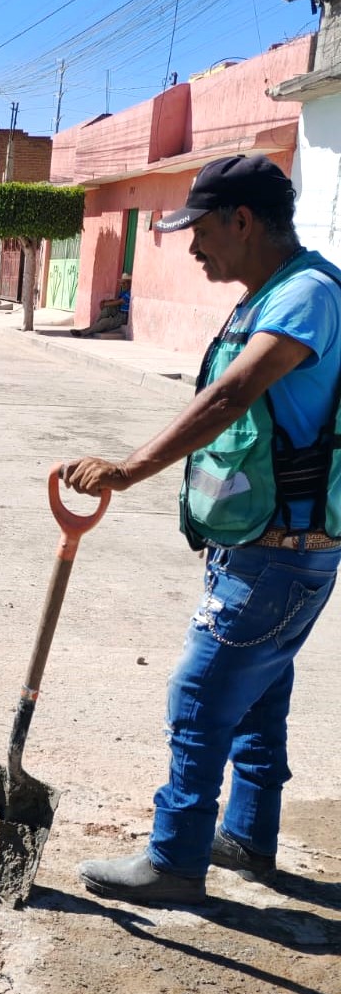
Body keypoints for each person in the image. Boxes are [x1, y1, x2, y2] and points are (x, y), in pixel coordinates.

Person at [62, 155, 341, 906]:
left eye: (203, 230)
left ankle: (176, 860)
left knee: (200, 695)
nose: (194, 249)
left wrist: (128, 468)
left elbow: (230, 397)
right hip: (265, 545)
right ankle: (247, 837)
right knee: (255, 698)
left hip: (281, 554)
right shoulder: (274, 293)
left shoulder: (306, 295)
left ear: (243, 220)